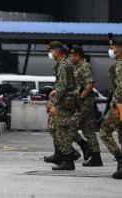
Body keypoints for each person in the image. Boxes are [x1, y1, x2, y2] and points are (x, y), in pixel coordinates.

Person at [46, 41, 80, 170]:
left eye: (50, 51)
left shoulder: (63, 65)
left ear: (57, 51)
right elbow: (59, 85)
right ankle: (65, 154)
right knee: (54, 128)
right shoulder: (61, 64)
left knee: (61, 131)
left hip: (65, 103)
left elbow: (63, 86)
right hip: (61, 100)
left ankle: (68, 160)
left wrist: (54, 104)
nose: (49, 54)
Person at [68, 44, 103, 167]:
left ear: (77, 56)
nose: (69, 57)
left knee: (69, 126)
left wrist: (81, 97)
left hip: (85, 102)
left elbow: (90, 84)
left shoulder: (85, 66)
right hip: (80, 102)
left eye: (71, 55)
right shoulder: (76, 67)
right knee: (88, 130)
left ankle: (83, 146)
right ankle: (96, 157)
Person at [98, 34, 122, 179]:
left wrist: (117, 107)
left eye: (111, 48)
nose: (109, 51)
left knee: (104, 132)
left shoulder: (121, 65)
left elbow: (121, 88)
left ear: (120, 50)